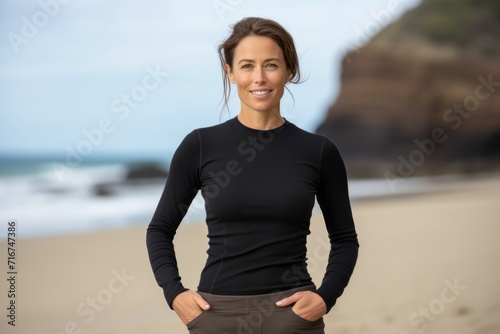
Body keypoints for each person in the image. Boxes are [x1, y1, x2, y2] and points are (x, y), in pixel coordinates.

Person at [146, 17, 359, 334]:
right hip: (215, 316)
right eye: (247, 66)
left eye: (271, 65)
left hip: (293, 318)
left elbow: (344, 240)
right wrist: (174, 294)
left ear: (289, 71)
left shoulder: (318, 151)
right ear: (230, 72)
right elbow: (160, 229)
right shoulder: (200, 146)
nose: (259, 78)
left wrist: (325, 297)